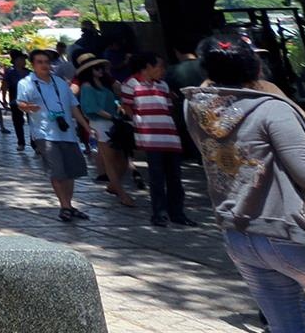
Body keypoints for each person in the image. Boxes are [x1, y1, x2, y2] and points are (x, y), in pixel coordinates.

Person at [186, 28, 305, 333]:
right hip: (289, 234)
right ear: (256, 66)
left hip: (239, 236)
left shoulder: (194, 108)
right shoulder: (272, 109)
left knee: (286, 327)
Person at [17, 47, 94, 221]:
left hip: (67, 132)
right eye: (40, 62)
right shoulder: (26, 83)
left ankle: (69, 204)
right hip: (45, 133)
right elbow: (20, 103)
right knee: (57, 171)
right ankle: (64, 206)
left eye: (46, 62)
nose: (44, 65)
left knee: (70, 171)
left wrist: (86, 126)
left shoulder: (59, 82)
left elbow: (73, 106)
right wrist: (27, 107)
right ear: (33, 65)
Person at [122, 52, 191, 226]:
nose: (162, 70)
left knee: (175, 177)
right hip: (150, 137)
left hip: (169, 136)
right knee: (157, 177)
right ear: (147, 67)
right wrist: (137, 122)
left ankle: (177, 213)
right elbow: (127, 106)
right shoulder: (131, 84)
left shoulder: (163, 86)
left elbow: (168, 108)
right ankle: (159, 213)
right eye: (159, 66)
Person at [76, 56, 136, 206]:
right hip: (101, 124)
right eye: (97, 68)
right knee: (109, 160)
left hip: (115, 122)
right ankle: (121, 194)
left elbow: (119, 95)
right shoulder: (87, 86)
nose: (100, 70)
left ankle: (113, 186)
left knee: (122, 159)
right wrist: (111, 116)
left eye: (102, 67)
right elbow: (91, 107)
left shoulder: (106, 84)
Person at [1, 49, 31, 148]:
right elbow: (4, 85)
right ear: (16, 60)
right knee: (18, 122)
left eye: (24, 59)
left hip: (29, 99)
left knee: (33, 121)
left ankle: (35, 143)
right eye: (21, 59)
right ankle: (21, 142)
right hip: (15, 99)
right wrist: (4, 98)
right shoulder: (10, 72)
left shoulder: (29, 73)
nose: (24, 61)